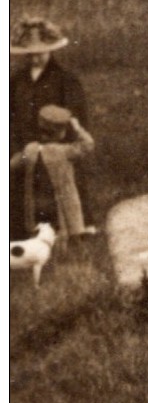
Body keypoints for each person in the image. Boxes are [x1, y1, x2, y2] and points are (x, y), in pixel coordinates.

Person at [10, 16, 95, 241]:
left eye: (41, 52)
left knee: (61, 191)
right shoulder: (16, 81)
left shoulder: (65, 80)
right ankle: (27, 232)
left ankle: (71, 232)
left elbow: (75, 116)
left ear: (50, 51)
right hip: (27, 148)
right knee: (27, 191)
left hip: (57, 148)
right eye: (31, 54)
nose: (36, 58)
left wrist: (62, 139)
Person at [9, 104, 95, 241]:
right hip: (59, 205)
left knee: (39, 236)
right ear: (61, 132)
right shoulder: (65, 152)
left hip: (36, 204)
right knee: (61, 233)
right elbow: (88, 144)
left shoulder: (29, 150)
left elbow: (13, 164)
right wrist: (77, 127)